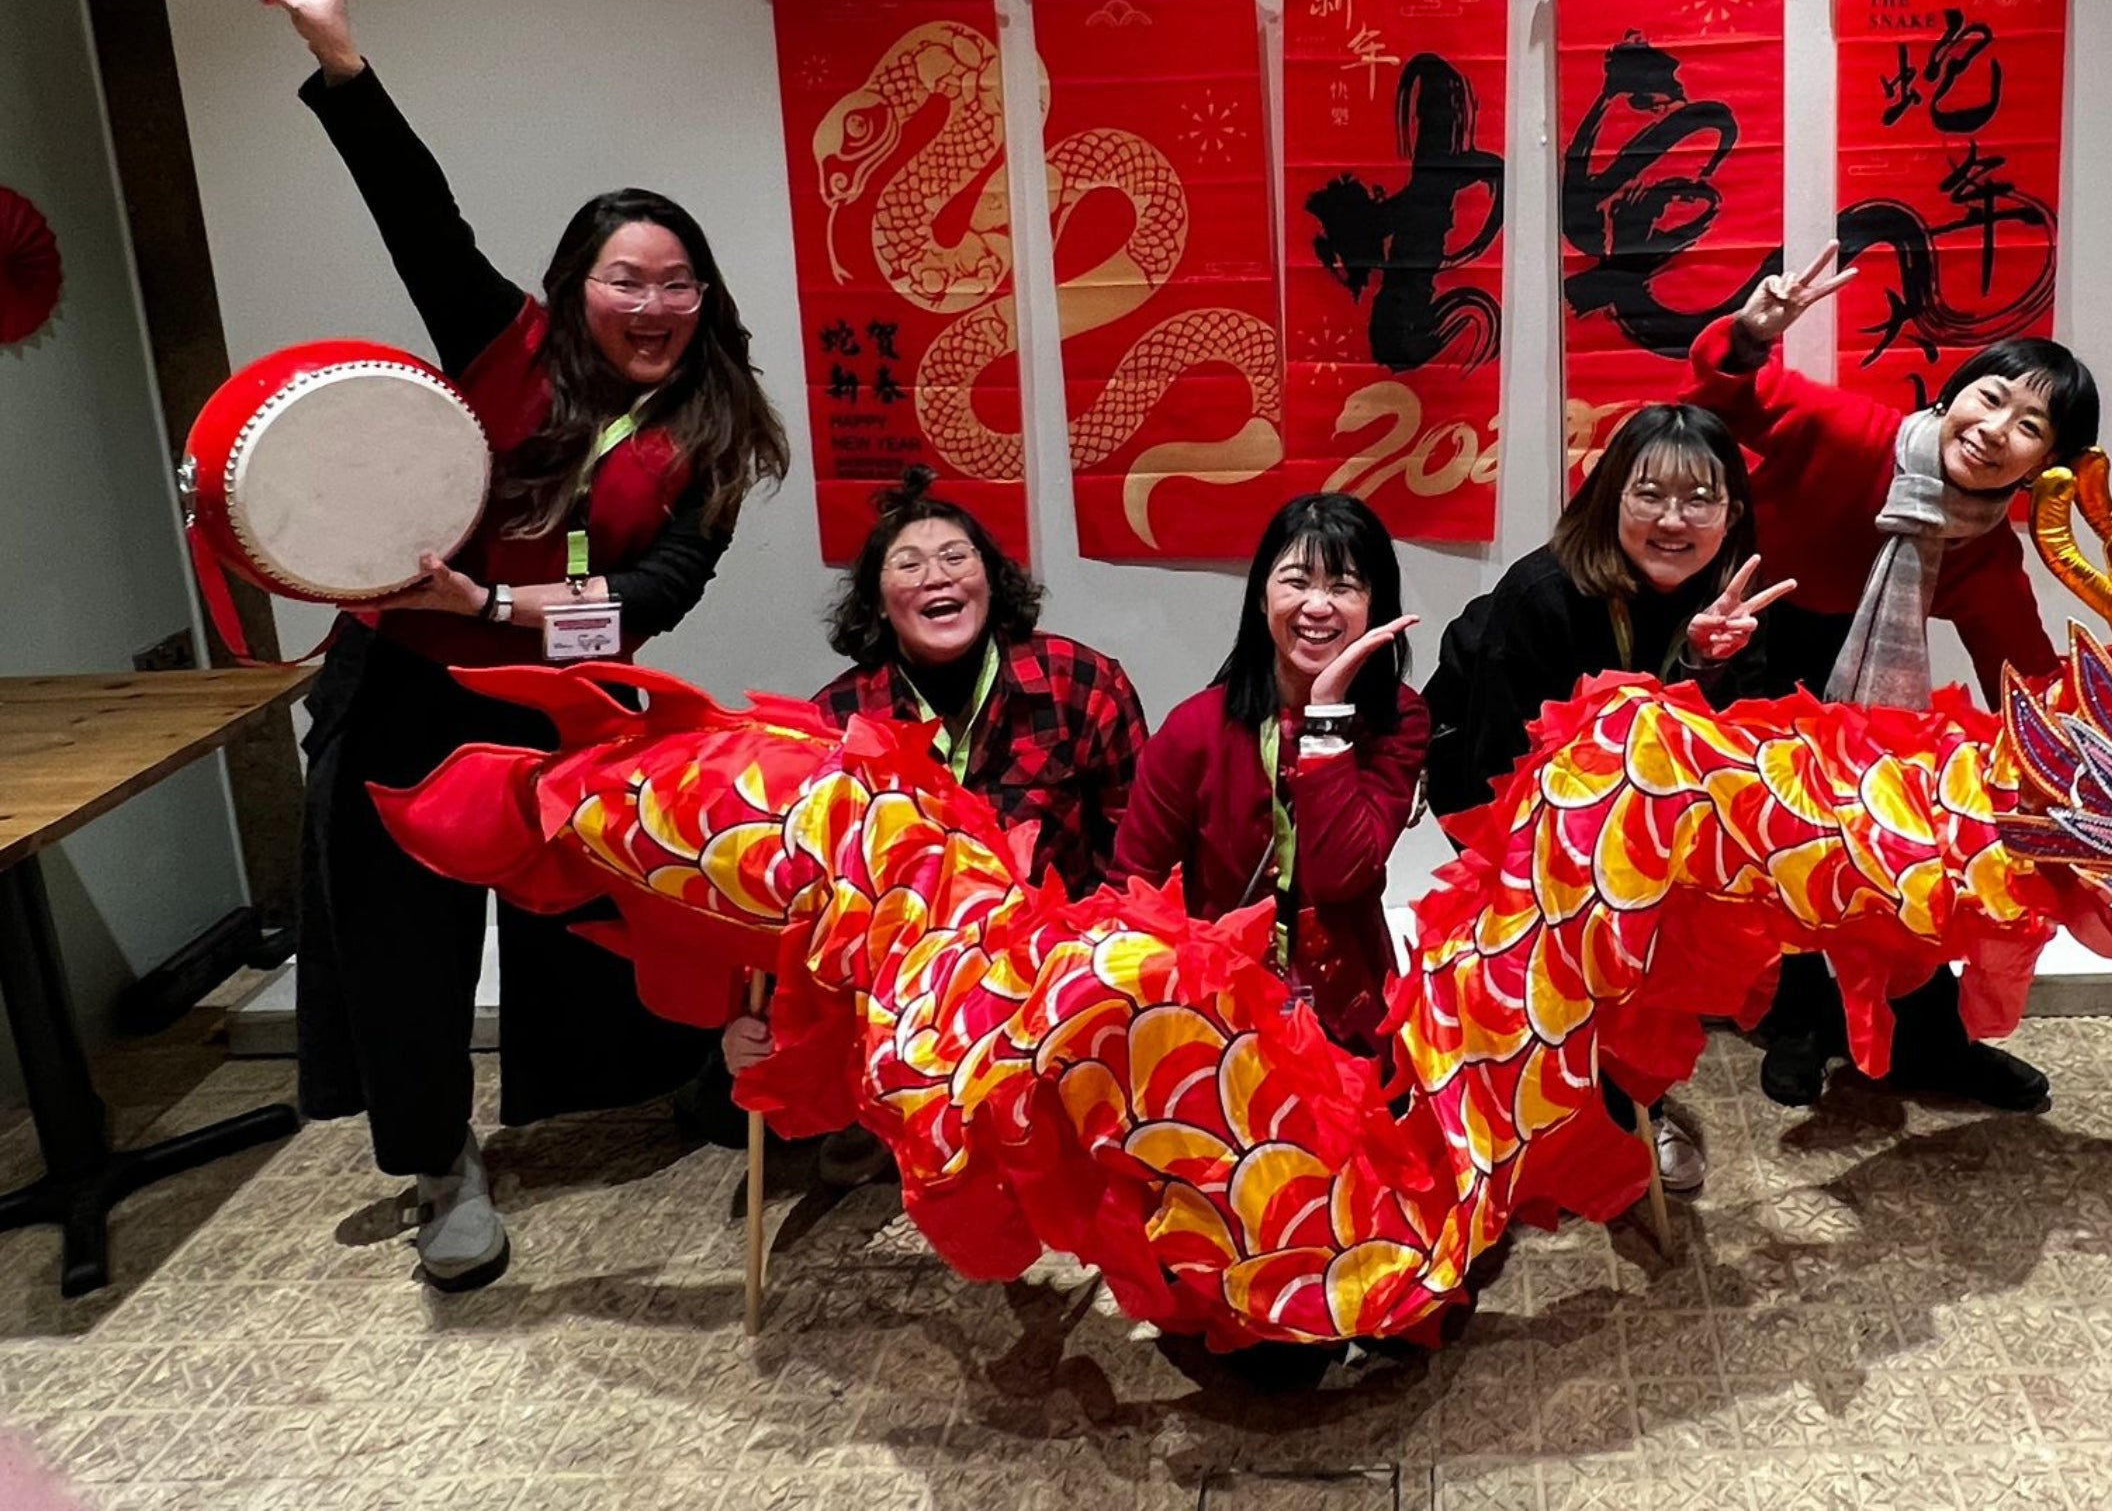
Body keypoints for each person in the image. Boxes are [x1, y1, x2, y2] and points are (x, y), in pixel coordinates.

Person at [262, 0, 791, 1290]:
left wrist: (498, 612)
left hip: (560, 701)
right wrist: (342, 62)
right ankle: (440, 1166)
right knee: (402, 933)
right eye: (629, 276)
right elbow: (413, 205)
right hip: (398, 690)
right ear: (578, 287)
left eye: (679, 281)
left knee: (597, 910)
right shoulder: (504, 344)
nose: (655, 301)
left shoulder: (714, 431)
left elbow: (654, 598)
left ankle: (658, 1091)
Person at [1683, 242, 2099, 1113]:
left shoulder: (1982, 544)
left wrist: (2105, 748)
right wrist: (1753, 332)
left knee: (1913, 849)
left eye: (2030, 427)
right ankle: (1796, 1022)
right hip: (1751, 655)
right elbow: (1725, 395)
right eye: (1991, 398)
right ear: (1952, 396)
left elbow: (2025, 675)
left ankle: (1927, 1043)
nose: (1995, 430)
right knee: (1782, 849)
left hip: (1872, 701)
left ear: (2043, 466)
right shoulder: (1851, 432)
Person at [716, 470, 1147, 1181]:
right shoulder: (838, 722)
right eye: (907, 564)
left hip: (1048, 965)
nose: (935, 576)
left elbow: (1133, 854)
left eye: (956, 557)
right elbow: (794, 895)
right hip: (904, 980)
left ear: (990, 580)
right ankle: (889, 1103)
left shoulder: (1081, 683)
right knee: (725, 1095)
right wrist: (751, 1016)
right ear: (879, 603)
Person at [1423, 404, 1795, 1192]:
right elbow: (1495, 760)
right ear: (1608, 498)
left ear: (1731, 512)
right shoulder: (1542, 594)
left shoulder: (1739, 608)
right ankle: (1517, 1111)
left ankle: (1631, 1105)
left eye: (1701, 499)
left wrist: (1707, 664)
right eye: (1648, 493)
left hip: (1650, 823)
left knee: (1656, 964)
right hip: (1507, 805)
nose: (1673, 519)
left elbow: (1739, 760)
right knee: (1545, 968)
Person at [1111, 494, 1427, 1057]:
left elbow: (1340, 876)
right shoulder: (1195, 729)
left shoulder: (1397, 719)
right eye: (1297, 581)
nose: (1317, 605)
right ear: (1262, 596)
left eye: (1344, 586)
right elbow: (1133, 890)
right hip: (1215, 1026)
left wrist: (1327, 714)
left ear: (1375, 605)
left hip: (1349, 1026)